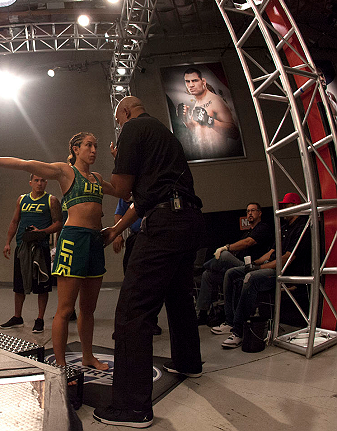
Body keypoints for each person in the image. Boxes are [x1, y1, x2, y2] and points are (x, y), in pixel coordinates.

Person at [96, 96, 205, 427]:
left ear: (126, 112)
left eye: (118, 120)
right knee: (178, 297)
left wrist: (101, 175)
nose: (119, 126)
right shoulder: (164, 135)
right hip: (188, 221)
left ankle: (131, 407)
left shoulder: (132, 129)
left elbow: (121, 189)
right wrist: (116, 229)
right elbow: (143, 200)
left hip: (165, 224)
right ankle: (188, 362)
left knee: (133, 310)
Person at [0, 132, 110, 373]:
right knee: (65, 308)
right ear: (75, 149)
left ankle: (87, 356)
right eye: (88, 145)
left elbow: (121, 190)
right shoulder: (65, 171)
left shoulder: (97, 178)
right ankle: (61, 367)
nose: (94, 150)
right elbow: (26, 165)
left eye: (96, 145)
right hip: (74, 241)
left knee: (88, 309)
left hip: (95, 242)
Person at [215, 193, 311, 348]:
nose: (283, 209)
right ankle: (230, 320)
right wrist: (254, 263)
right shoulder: (285, 227)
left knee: (251, 277)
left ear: (294, 206)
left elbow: (287, 258)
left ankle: (238, 332)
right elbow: (271, 251)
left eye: (286, 206)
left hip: (283, 273)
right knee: (231, 273)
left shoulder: (302, 228)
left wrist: (260, 267)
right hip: (269, 265)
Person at [0, 174, 62, 334]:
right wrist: (8, 242)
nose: (39, 183)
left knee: (42, 286)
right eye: (36, 180)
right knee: (19, 285)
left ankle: (40, 319)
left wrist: (41, 232)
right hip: (22, 247)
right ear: (30, 183)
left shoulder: (52, 200)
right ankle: (17, 317)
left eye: (42, 181)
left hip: (41, 248)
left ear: (46, 183)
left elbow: (58, 224)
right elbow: (14, 221)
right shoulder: (22, 199)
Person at [196, 202, 273, 325]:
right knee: (207, 275)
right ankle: (203, 313)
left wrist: (227, 247)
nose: (250, 213)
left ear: (260, 213)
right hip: (237, 269)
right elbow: (239, 247)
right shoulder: (246, 232)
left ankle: (200, 267)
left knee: (225, 254)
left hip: (252, 267)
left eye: (253, 210)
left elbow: (248, 243)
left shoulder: (263, 228)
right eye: (248, 211)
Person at [112, 198, 162, 335]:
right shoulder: (126, 197)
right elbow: (118, 215)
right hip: (135, 239)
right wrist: (117, 233)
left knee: (151, 283)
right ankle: (125, 324)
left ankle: (150, 321)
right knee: (129, 282)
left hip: (152, 237)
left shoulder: (146, 192)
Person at [177, 67, 242, 159]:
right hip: (205, 156)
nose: (191, 85)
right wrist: (185, 119)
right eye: (187, 81)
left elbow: (234, 133)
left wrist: (209, 120)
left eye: (194, 80)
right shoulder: (197, 104)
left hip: (221, 157)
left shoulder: (215, 100)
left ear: (203, 81)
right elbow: (196, 130)